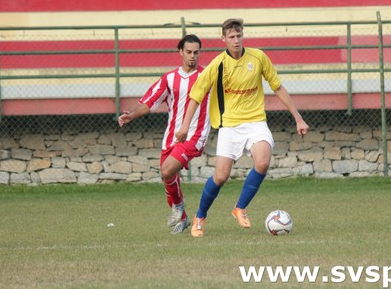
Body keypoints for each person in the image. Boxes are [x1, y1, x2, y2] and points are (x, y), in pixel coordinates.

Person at [175, 18, 309, 237]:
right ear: (223, 39)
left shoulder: (258, 57)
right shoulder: (217, 65)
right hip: (229, 126)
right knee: (220, 177)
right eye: (231, 37)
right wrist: (184, 128)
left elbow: (278, 87)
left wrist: (298, 118)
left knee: (263, 161)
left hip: (256, 121)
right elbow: (195, 97)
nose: (236, 41)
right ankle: (200, 217)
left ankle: (240, 208)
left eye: (239, 36)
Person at [118, 34, 211, 234]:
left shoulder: (208, 76)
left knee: (167, 170)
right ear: (180, 52)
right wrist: (130, 116)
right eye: (188, 52)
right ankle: (183, 217)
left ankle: (178, 208)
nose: (193, 56)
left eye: (196, 52)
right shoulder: (169, 78)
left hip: (195, 135)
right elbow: (150, 102)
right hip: (172, 136)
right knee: (168, 176)